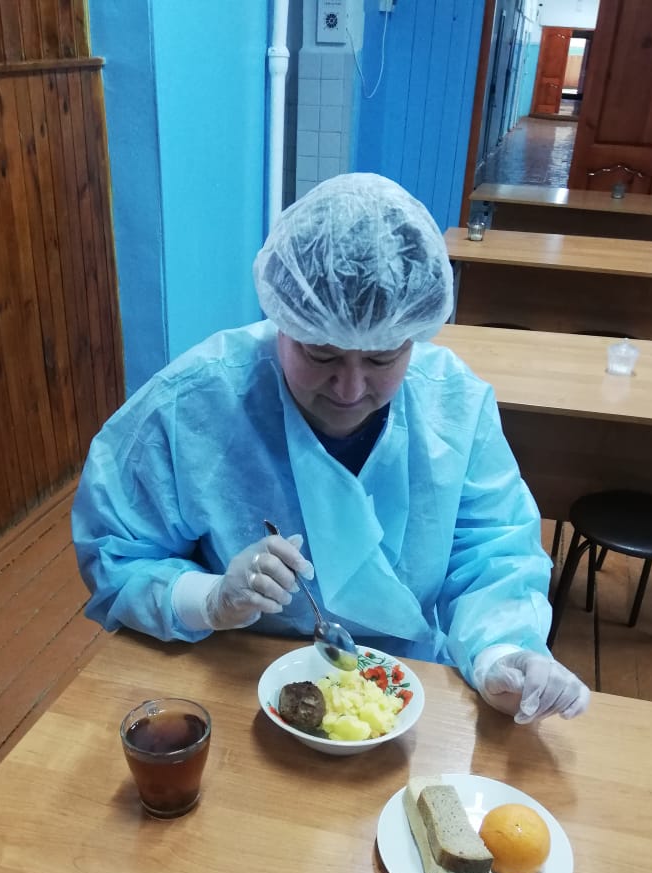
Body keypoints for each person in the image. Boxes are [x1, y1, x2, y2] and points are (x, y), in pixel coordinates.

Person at [72, 173, 589, 724]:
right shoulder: (194, 404)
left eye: (382, 359)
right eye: (321, 356)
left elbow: (492, 551)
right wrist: (212, 598)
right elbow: (117, 554)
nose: (349, 389)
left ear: (414, 337)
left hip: (408, 688)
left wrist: (501, 656)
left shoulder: (453, 408)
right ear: (283, 322)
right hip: (235, 679)